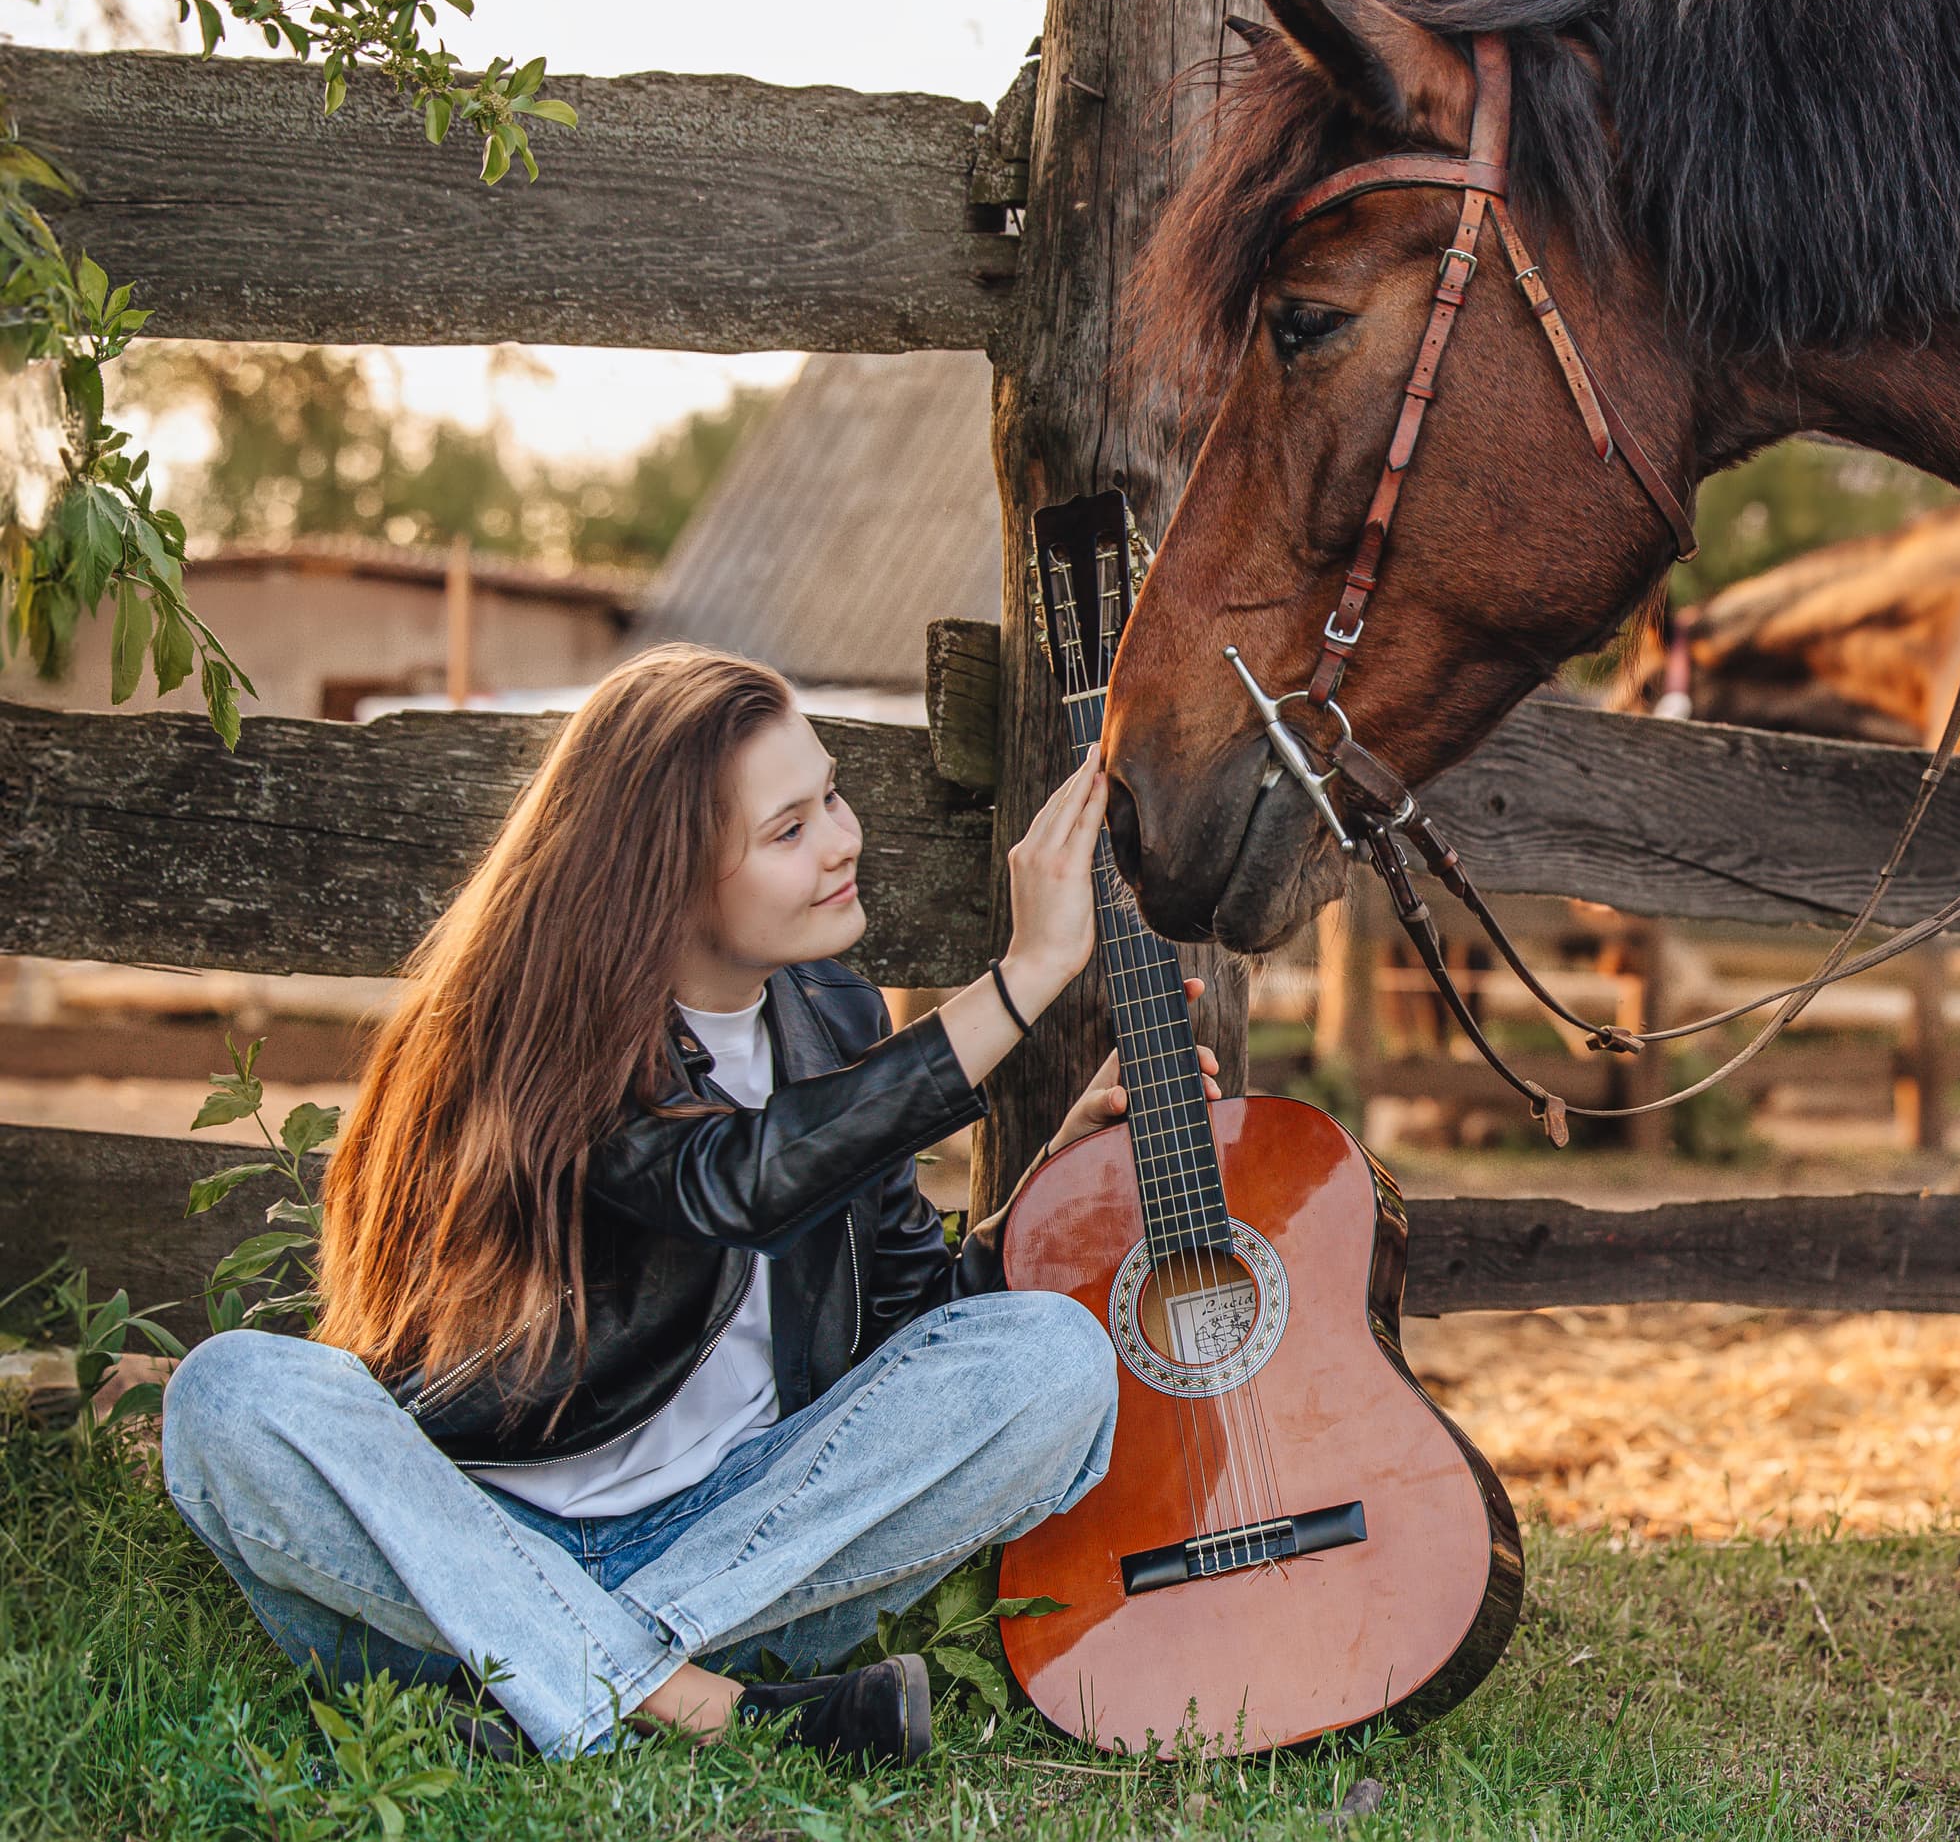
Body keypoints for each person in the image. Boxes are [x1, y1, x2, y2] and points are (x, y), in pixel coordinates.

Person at [158, 644, 1203, 1766]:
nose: (845, 840)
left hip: (740, 1541)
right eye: (788, 829)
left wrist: (1057, 1180)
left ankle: (550, 1679)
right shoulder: (539, 1032)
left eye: (832, 795)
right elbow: (736, 1183)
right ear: (668, 873)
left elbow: (906, 1318)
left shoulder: (833, 1016)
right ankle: (711, 1706)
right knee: (231, 1392)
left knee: (1052, 1356)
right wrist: (1025, 975)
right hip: (468, 1533)